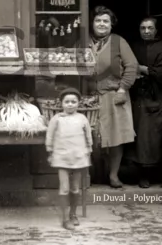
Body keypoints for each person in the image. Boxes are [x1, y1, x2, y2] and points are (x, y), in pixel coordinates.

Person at [86, 6, 138, 188]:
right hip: (89, 97)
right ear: (92, 23)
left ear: (111, 24)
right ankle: (91, 174)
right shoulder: (84, 41)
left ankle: (113, 175)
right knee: (91, 136)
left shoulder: (119, 41)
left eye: (105, 21)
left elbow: (132, 66)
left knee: (116, 137)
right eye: (98, 20)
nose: (101, 24)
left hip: (114, 95)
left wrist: (123, 89)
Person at [128, 17, 162, 188]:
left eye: (150, 28)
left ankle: (148, 174)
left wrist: (146, 70)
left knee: (151, 137)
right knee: (137, 135)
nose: (146, 31)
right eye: (143, 28)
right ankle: (136, 173)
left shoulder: (161, 48)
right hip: (137, 96)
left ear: (156, 30)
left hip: (155, 98)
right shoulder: (135, 46)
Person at [46, 88, 93, 231]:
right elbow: (50, 135)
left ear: (79, 103)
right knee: (64, 189)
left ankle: (73, 214)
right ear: (61, 103)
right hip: (62, 157)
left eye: (74, 102)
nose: (70, 104)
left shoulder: (82, 118)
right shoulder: (57, 119)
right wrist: (50, 151)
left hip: (78, 157)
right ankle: (65, 218)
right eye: (67, 102)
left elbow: (88, 136)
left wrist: (89, 149)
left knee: (75, 189)